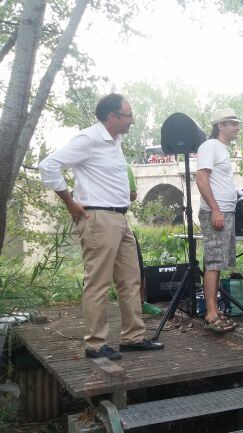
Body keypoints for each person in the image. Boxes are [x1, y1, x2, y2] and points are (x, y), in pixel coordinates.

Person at [39, 93, 164, 360]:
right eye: (128, 115)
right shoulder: (89, 139)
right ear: (112, 117)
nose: (132, 120)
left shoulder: (115, 141)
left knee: (130, 279)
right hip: (98, 217)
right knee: (98, 282)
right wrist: (70, 203)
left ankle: (133, 337)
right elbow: (48, 165)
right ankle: (95, 344)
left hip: (120, 217)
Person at [196, 108, 242, 333]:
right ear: (220, 126)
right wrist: (215, 209)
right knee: (213, 262)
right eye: (232, 123)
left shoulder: (222, 149)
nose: (236, 127)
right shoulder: (210, 146)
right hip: (217, 211)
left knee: (219, 263)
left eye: (237, 123)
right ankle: (211, 314)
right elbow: (201, 178)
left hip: (225, 211)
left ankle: (215, 311)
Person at [126, 165, 162, 316]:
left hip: (124, 221)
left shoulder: (124, 166)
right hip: (99, 221)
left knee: (137, 266)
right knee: (98, 273)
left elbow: (133, 194)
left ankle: (140, 302)